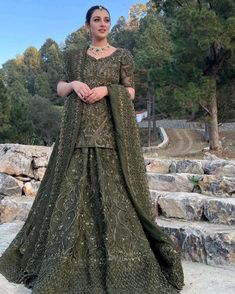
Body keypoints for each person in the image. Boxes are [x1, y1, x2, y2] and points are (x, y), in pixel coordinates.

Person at [0, 5, 184, 294]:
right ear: (87, 25)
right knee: (70, 198)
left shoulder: (123, 56)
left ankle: (122, 263)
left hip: (110, 135)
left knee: (115, 197)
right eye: (96, 20)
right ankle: (64, 264)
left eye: (106, 20)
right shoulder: (74, 57)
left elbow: (131, 90)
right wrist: (73, 83)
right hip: (77, 135)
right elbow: (60, 88)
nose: (103, 24)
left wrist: (109, 90)